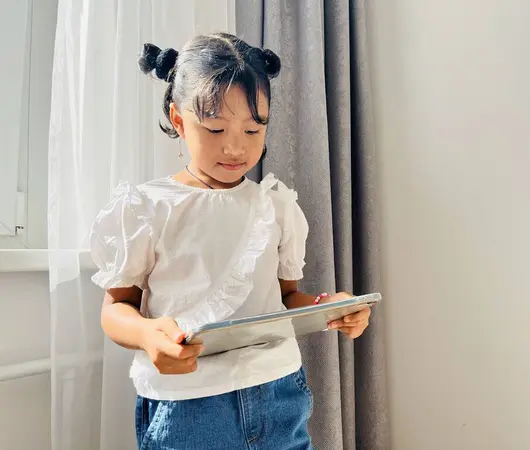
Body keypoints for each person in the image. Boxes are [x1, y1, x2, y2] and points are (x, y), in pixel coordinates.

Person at [90, 32, 371, 450]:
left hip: (279, 391)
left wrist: (327, 306)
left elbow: (286, 299)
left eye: (254, 129)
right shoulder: (147, 207)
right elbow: (116, 309)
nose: (236, 146)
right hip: (189, 406)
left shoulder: (274, 205)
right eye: (216, 127)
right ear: (179, 119)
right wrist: (149, 335)